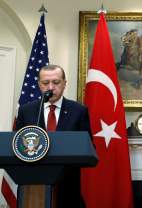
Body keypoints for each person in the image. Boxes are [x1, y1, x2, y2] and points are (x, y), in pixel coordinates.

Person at [15, 64, 91, 208]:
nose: (50, 87)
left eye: (56, 82)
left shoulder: (78, 111)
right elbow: (17, 145)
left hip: (67, 187)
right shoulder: (27, 111)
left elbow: (89, 146)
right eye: (45, 83)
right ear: (39, 85)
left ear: (64, 84)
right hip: (33, 187)